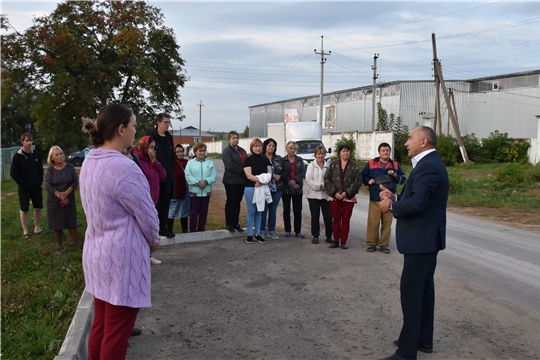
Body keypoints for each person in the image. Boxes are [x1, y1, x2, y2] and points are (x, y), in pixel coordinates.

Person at [80, 104, 159, 360]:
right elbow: (147, 214)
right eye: (134, 125)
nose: (135, 131)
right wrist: (153, 239)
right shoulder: (123, 167)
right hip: (121, 260)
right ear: (121, 129)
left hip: (96, 254)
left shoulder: (90, 160)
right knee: (116, 333)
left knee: (101, 326)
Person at [379, 126, 449, 360]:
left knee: (410, 291)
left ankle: (406, 352)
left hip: (422, 240)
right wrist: (396, 198)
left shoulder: (429, 165)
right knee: (424, 290)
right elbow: (420, 199)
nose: (406, 142)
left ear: (424, 141)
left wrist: (390, 207)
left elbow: (418, 204)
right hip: (427, 239)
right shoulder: (429, 163)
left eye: (410, 138)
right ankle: (422, 339)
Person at [361, 142, 406, 254]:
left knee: (387, 223)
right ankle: (371, 243)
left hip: (389, 198)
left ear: (390, 152)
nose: (385, 152)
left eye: (387, 150)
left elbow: (403, 179)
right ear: (379, 152)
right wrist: (368, 181)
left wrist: (395, 175)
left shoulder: (395, 165)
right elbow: (363, 175)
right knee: (373, 222)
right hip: (375, 197)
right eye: (383, 151)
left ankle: (383, 244)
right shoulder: (371, 163)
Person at [132, 135, 167, 265]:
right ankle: (142, 255)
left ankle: (149, 255)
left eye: (154, 148)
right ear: (144, 146)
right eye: (151, 147)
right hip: (143, 201)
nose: (153, 150)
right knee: (143, 229)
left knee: (153, 228)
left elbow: (163, 175)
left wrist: (154, 161)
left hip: (154, 200)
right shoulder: (137, 160)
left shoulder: (150, 160)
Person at [324, 143, 362, 250]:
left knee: (345, 219)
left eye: (347, 151)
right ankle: (336, 240)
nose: (345, 153)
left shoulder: (354, 166)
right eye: (343, 151)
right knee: (336, 219)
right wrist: (335, 192)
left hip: (348, 197)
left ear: (350, 153)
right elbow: (327, 178)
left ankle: (344, 241)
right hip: (334, 196)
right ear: (340, 152)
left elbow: (358, 180)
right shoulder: (333, 164)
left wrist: (346, 193)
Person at [44, 146, 81, 252]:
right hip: (54, 202)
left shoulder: (70, 167)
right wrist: (59, 195)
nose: (60, 156)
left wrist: (66, 193)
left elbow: (75, 181)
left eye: (61, 153)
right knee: (57, 226)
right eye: (57, 154)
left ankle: (78, 247)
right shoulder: (50, 171)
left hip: (69, 200)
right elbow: (48, 185)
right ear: (52, 158)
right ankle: (60, 247)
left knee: (72, 224)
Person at [147, 113, 176, 238]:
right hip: (154, 176)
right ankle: (152, 228)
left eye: (169, 122)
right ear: (158, 123)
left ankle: (162, 227)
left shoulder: (169, 138)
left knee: (165, 203)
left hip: (167, 176)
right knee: (153, 203)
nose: (167, 125)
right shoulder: (151, 136)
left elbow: (172, 155)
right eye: (165, 122)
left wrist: (171, 168)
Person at [10, 132, 44, 238]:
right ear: (22, 142)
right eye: (26, 140)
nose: (29, 143)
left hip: (36, 187)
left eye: (30, 140)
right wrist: (22, 183)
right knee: (24, 209)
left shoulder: (36, 154)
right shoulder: (17, 157)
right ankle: (25, 231)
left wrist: (39, 181)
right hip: (24, 188)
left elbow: (40, 170)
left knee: (38, 207)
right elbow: (13, 173)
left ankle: (37, 228)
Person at [243, 138, 272, 244]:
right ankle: (250, 234)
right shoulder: (248, 160)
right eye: (255, 146)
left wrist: (262, 182)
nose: (258, 148)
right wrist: (259, 180)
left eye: (259, 146)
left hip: (262, 188)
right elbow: (249, 175)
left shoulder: (265, 160)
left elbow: (269, 174)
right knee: (251, 211)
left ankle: (258, 234)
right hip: (250, 188)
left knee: (259, 212)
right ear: (252, 148)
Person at [185, 143, 217, 232]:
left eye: (204, 150)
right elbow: (188, 175)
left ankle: (201, 231)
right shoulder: (190, 163)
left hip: (206, 192)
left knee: (203, 214)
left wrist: (206, 182)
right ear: (195, 152)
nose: (202, 153)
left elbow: (213, 175)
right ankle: (192, 232)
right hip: (194, 193)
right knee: (194, 214)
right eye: (200, 151)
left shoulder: (210, 163)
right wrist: (197, 182)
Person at [305, 146, 333, 245]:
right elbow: (308, 179)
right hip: (313, 195)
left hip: (326, 196)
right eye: (318, 154)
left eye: (322, 154)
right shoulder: (311, 166)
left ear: (325, 155)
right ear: (315, 155)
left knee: (328, 216)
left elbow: (331, 179)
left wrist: (326, 187)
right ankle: (315, 236)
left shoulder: (328, 166)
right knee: (315, 216)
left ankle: (329, 236)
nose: (320, 156)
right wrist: (320, 186)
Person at [222, 130, 248, 233]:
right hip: (231, 180)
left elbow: (246, 161)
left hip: (241, 181)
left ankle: (236, 223)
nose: (235, 140)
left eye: (237, 138)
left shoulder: (242, 150)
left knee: (238, 202)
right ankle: (229, 224)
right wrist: (243, 171)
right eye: (233, 138)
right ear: (229, 139)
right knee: (231, 202)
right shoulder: (227, 151)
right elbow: (229, 165)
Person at [281, 141, 306, 238]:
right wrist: (289, 182)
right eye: (290, 148)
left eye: (294, 149)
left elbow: (303, 172)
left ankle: (298, 231)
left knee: (297, 210)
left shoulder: (299, 160)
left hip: (297, 187)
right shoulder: (283, 160)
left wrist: (295, 181)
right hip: (286, 187)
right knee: (286, 210)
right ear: (286, 149)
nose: (292, 150)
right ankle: (287, 230)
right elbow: (283, 173)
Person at [259, 138, 283, 240]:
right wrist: (272, 176)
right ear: (265, 146)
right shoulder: (260, 158)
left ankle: (272, 230)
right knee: (263, 210)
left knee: (273, 210)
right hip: (264, 187)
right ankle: (262, 230)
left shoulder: (279, 158)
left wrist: (279, 177)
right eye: (269, 145)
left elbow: (284, 171)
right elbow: (259, 170)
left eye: (273, 146)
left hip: (277, 188)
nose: (271, 147)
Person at [167, 144, 190, 234]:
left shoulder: (186, 162)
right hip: (174, 192)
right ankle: (169, 231)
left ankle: (184, 231)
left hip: (185, 192)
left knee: (184, 213)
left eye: (181, 151)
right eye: (177, 152)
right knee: (171, 214)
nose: (179, 154)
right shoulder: (171, 163)